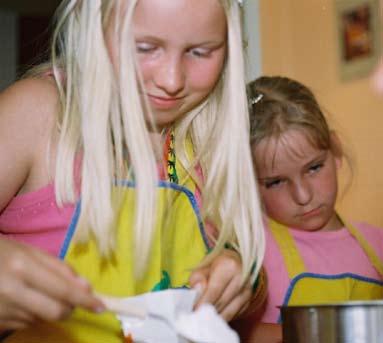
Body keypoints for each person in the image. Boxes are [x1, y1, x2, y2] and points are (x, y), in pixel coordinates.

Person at [0, 0, 266, 342]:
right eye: (145, 48)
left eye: (201, 52)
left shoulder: (208, 140)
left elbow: (251, 272)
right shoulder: (37, 113)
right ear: (91, 27)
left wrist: (244, 279)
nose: (172, 80)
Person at [235, 75, 383, 342]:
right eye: (276, 182)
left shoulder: (377, 244)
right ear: (251, 185)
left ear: (335, 150)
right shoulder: (250, 249)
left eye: (314, 168)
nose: (302, 196)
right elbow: (233, 331)